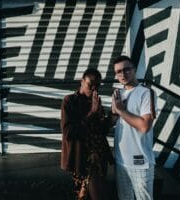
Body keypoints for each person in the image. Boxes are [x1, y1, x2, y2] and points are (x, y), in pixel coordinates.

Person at [60, 68, 114, 200]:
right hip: (82, 159)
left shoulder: (96, 101)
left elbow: (101, 130)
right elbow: (68, 132)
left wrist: (112, 116)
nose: (94, 89)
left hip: (99, 157)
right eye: (91, 85)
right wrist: (92, 113)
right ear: (82, 81)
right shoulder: (70, 101)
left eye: (97, 86)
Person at [111, 55, 157, 200]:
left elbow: (144, 126)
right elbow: (114, 121)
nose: (123, 74)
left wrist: (121, 111)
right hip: (121, 160)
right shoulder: (119, 94)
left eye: (126, 70)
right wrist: (114, 112)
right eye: (119, 72)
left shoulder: (146, 93)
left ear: (134, 70)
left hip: (140, 162)